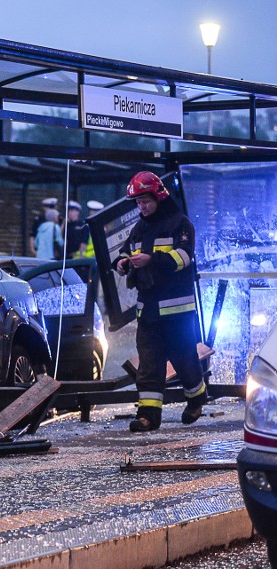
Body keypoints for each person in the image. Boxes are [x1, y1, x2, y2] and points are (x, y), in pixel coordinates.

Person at [113, 172, 207, 432]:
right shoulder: (139, 228)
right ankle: (148, 417)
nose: (141, 207)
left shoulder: (180, 224)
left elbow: (184, 257)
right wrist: (122, 263)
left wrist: (152, 260)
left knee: (184, 358)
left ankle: (196, 398)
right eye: (138, 203)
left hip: (178, 311)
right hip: (148, 311)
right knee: (149, 363)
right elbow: (125, 252)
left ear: (158, 196)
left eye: (145, 201)